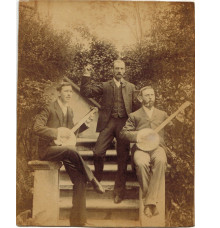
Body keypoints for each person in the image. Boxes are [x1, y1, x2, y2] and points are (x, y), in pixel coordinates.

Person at [33, 82, 105, 226]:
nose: (68, 94)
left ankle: (78, 221)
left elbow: (71, 133)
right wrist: (57, 132)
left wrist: (86, 124)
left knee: (80, 180)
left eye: (70, 92)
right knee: (71, 150)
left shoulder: (70, 110)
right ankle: (93, 179)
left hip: (64, 150)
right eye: (65, 91)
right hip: (48, 150)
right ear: (59, 92)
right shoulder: (49, 108)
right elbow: (37, 128)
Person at [120, 86, 184, 217]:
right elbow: (123, 133)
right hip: (141, 149)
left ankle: (149, 203)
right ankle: (151, 203)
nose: (150, 98)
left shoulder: (163, 114)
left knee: (161, 160)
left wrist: (179, 122)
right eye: (147, 95)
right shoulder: (134, 115)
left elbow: (176, 133)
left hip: (157, 148)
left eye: (152, 95)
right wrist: (139, 135)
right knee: (141, 163)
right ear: (140, 98)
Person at [80, 60, 136, 204]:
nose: (119, 70)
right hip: (108, 123)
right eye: (117, 68)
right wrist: (86, 74)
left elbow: (138, 106)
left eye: (121, 68)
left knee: (123, 159)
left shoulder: (131, 87)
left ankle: (119, 192)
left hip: (124, 124)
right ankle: (98, 179)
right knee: (98, 152)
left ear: (125, 70)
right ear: (113, 70)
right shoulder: (105, 86)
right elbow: (86, 92)